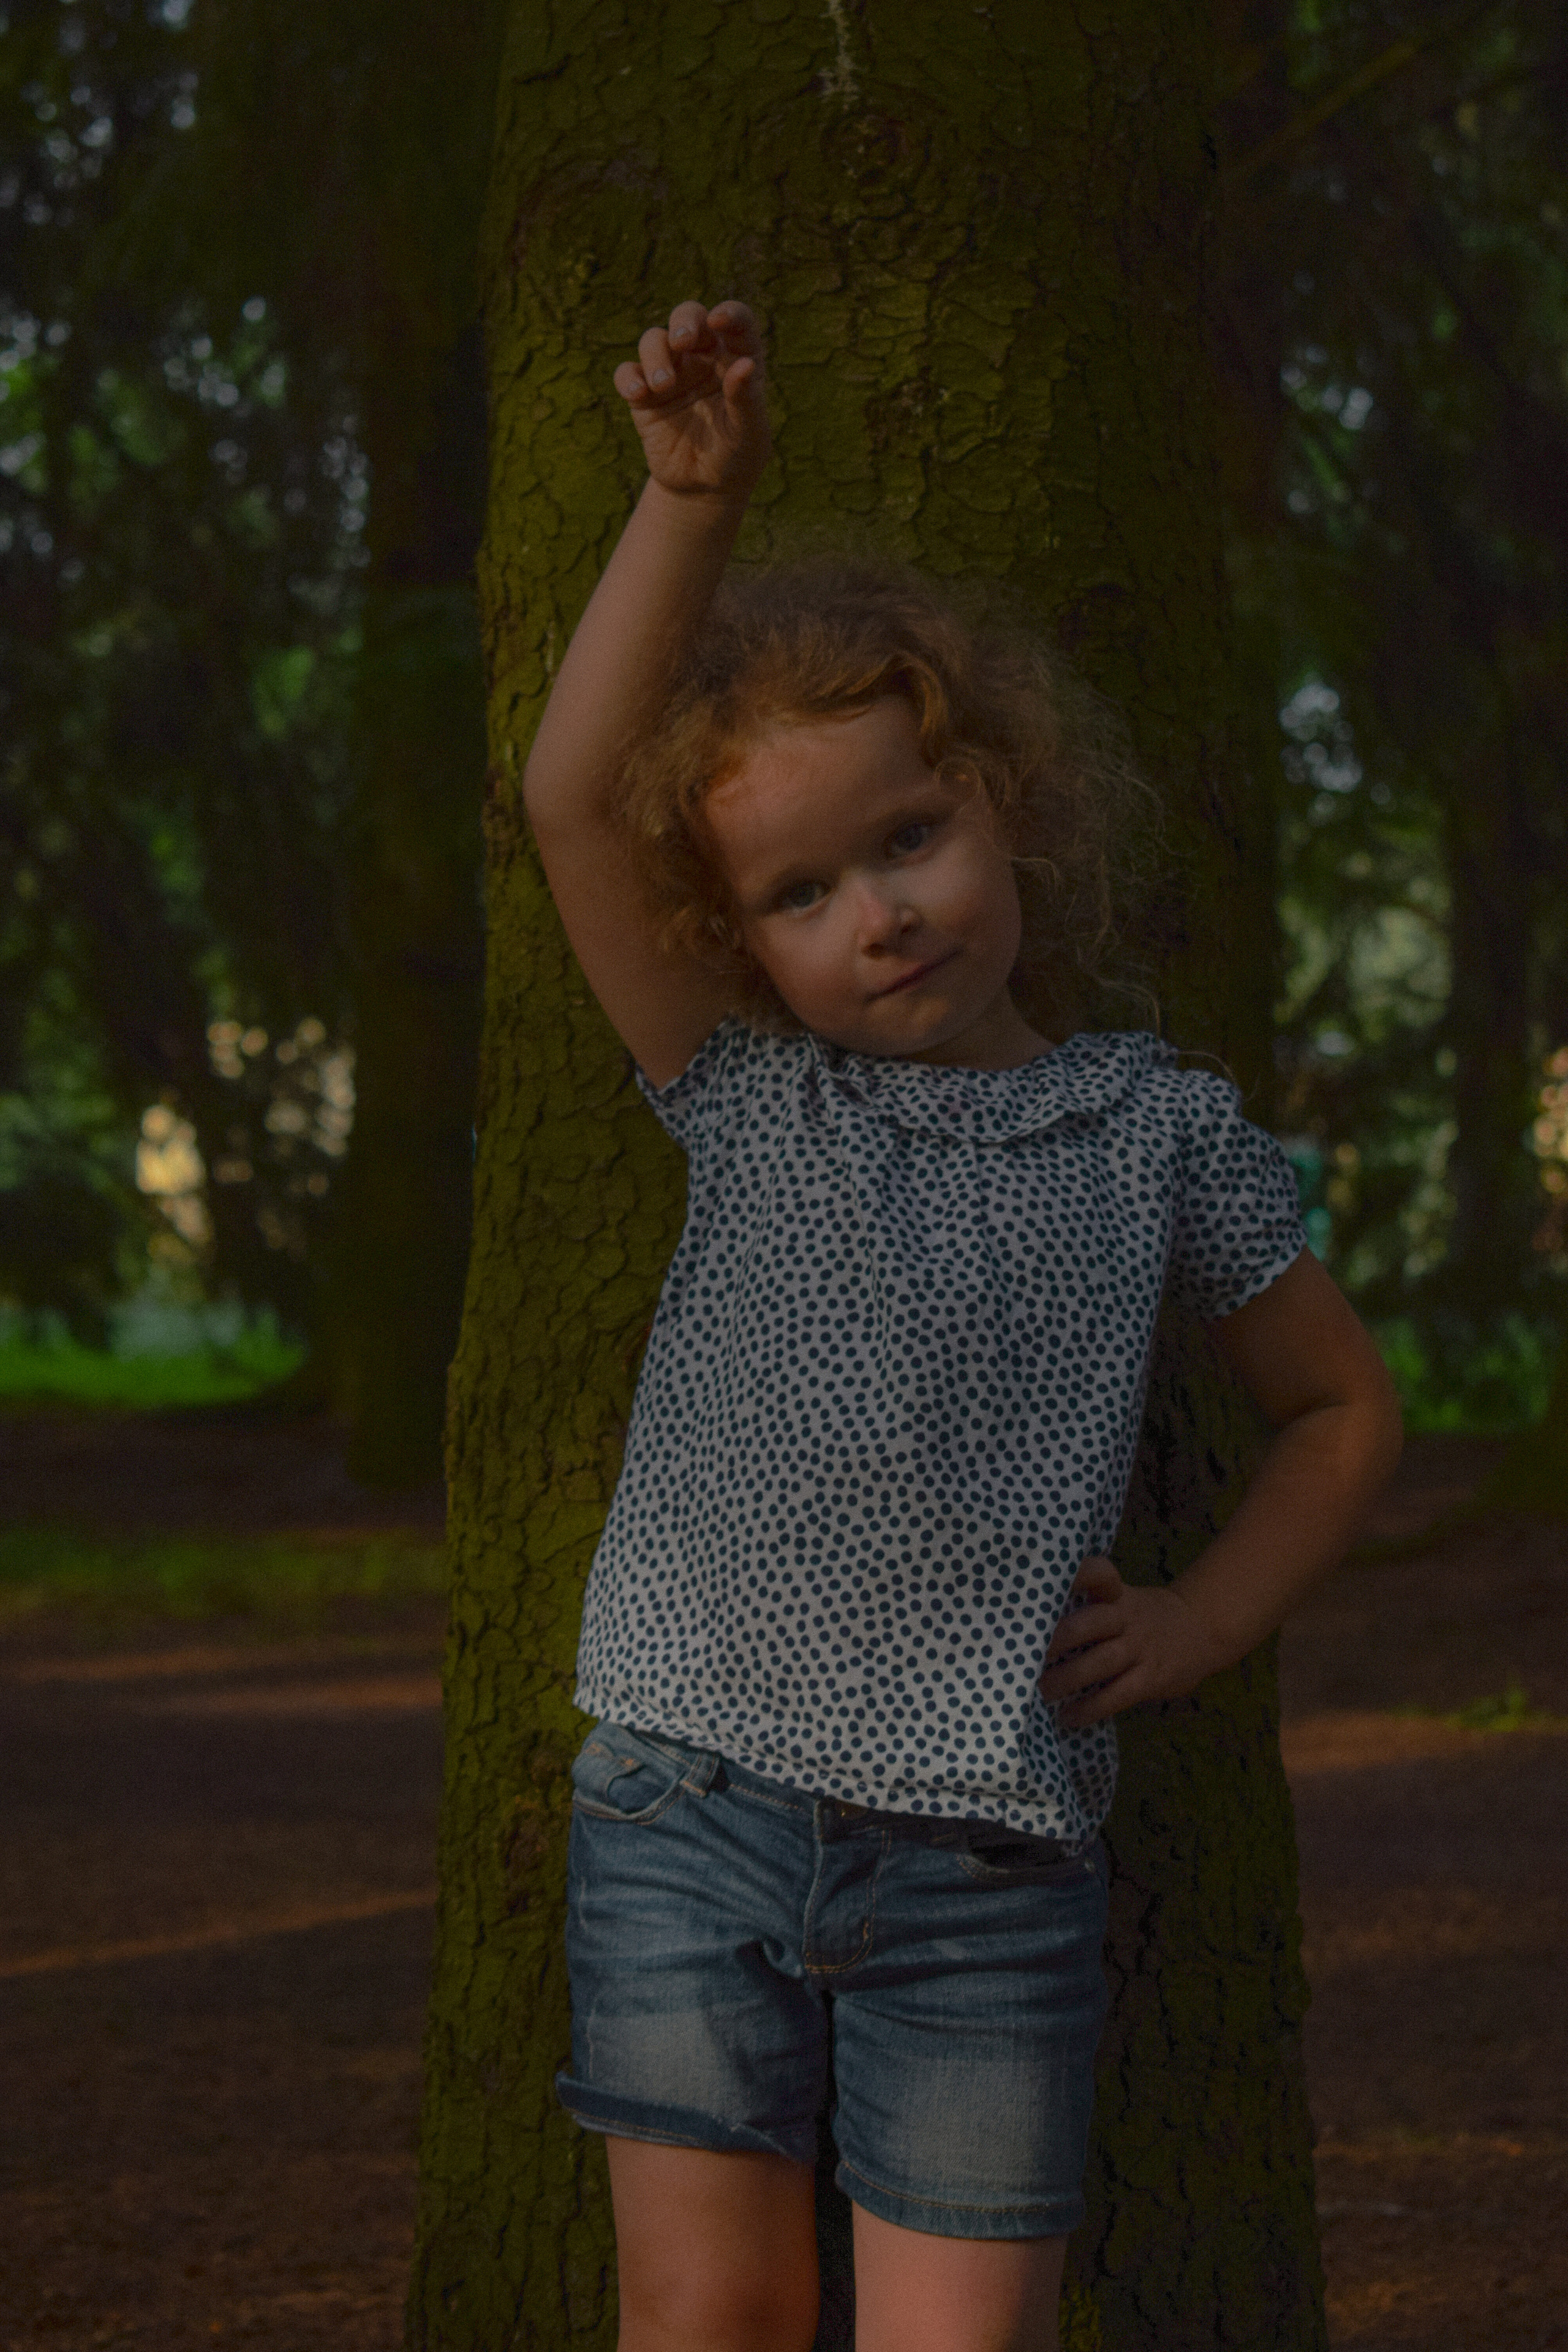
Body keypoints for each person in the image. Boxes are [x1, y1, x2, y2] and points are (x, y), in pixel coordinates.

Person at [522, 299, 1402, 2352]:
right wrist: (690, 500)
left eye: (907, 840)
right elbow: (572, 799)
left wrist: (1199, 1626)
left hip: (989, 1871)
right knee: (706, 2324)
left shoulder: (1159, 1132)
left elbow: (1343, 1409)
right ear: (740, 942)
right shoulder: (746, 1092)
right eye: (804, 892)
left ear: (999, 802)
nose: (879, 914)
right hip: (690, 1812)